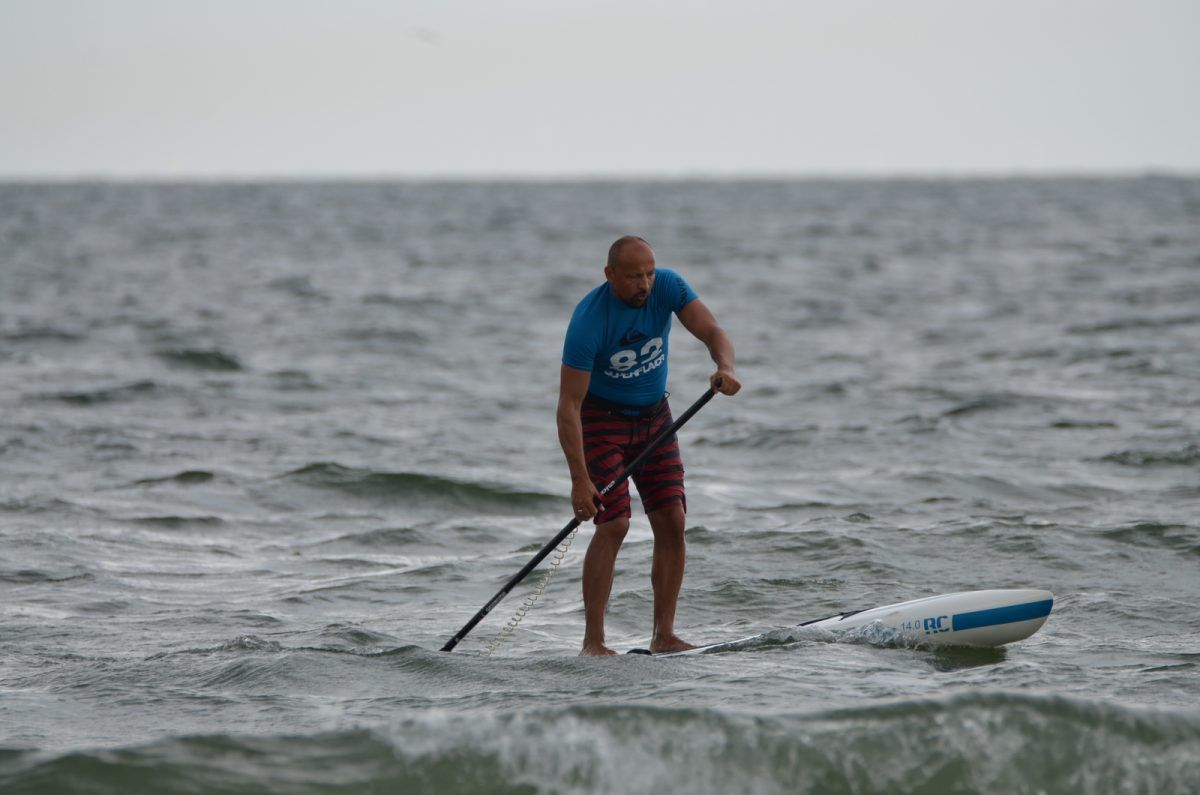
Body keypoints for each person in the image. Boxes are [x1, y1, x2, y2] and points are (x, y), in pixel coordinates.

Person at [557, 235, 741, 656]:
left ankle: (664, 635)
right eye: (633, 276)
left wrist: (725, 366)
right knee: (614, 524)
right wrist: (579, 482)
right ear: (610, 276)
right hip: (602, 423)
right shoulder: (589, 320)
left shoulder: (668, 287)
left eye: (649, 273)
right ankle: (594, 644)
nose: (644, 284)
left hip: (655, 418)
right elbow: (568, 406)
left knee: (672, 519)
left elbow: (712, 330)